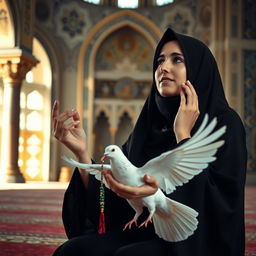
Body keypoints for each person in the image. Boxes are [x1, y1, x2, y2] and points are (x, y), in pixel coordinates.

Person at [52, 28, 247, 256]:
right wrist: (82, 155)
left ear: (198, 69)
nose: (164, 67)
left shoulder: (224, 124)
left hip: (196, 241)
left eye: (177, 60)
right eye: (159, 61)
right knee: (73, 251)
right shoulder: (148, 126)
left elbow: (218, 205)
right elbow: (116, 201)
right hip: (144, 230)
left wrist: (183, 135)